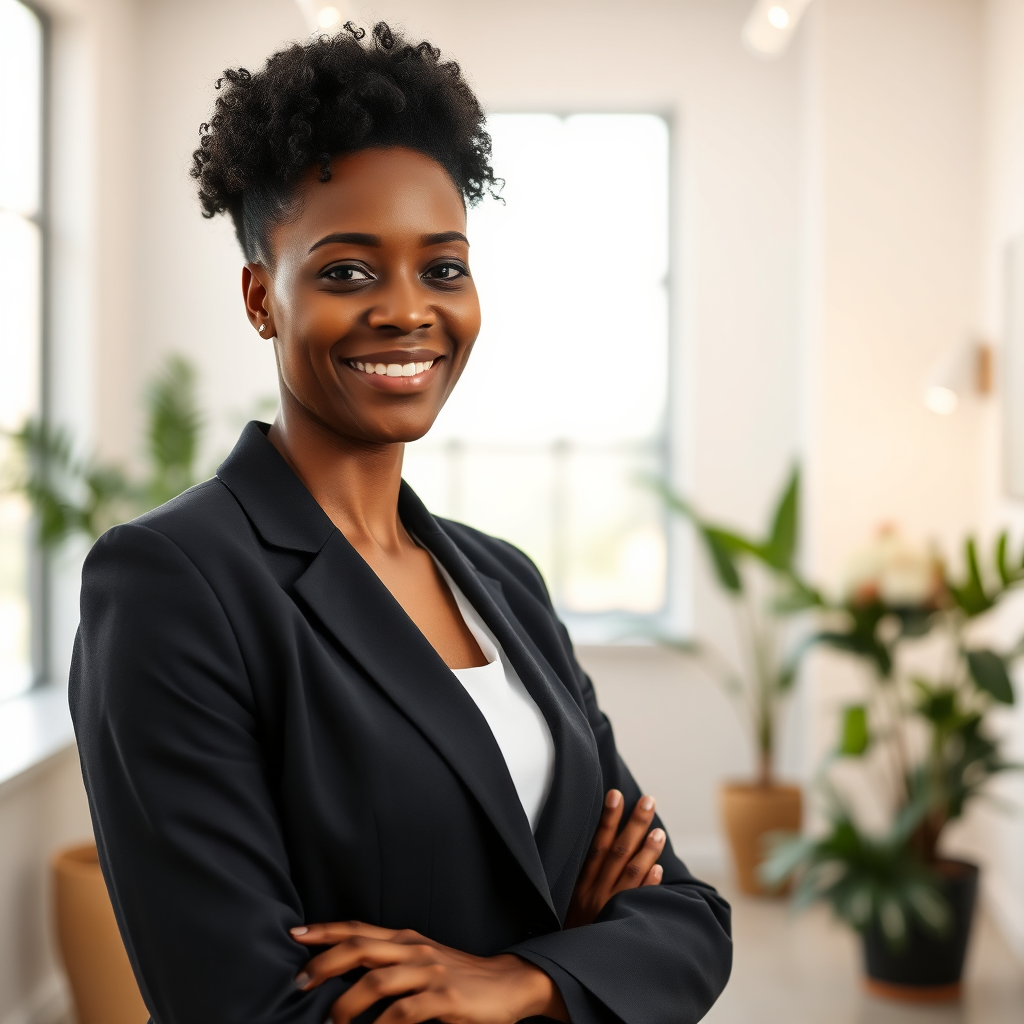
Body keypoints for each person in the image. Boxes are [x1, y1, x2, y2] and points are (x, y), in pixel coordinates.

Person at [70, 23, 732, 1024]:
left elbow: (686, 919)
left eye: (443, 268)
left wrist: (517, 981)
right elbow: (243, 1004)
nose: (408, 311)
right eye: (347, 271)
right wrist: (579, 959)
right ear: (261, 298)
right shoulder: (174, 582)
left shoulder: (503, 580)